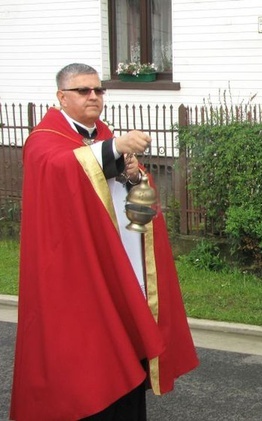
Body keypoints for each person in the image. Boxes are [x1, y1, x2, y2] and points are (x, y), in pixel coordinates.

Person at [10, 63, 198, 420]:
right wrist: (114, 148)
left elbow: (124, 193)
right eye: (83, 91)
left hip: (117, 264)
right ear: (61, 97)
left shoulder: (101, 134)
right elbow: (62, 167)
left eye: (99, 90)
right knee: (87, 361)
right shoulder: (44, 139)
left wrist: (131, 176)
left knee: (125, 349)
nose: (94, 96)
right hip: (73, 273)